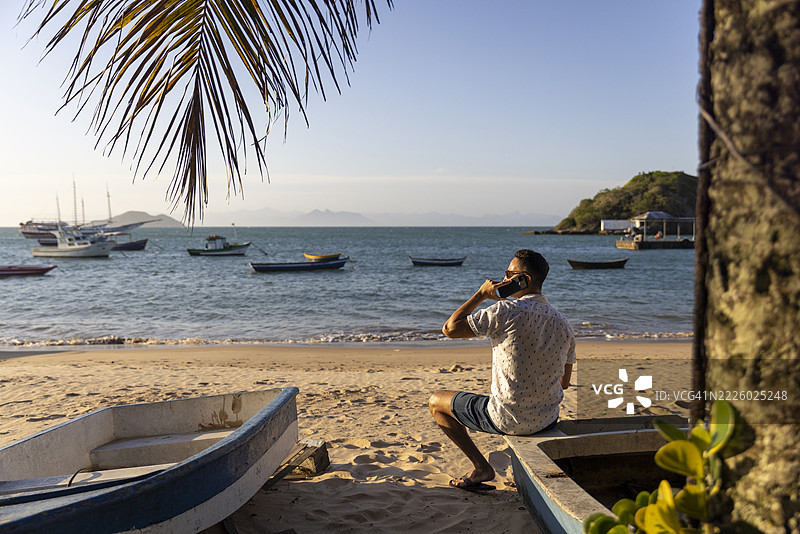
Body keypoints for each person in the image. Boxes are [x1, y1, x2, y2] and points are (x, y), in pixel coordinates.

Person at [429, 249, 575, 491]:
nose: (504, 279)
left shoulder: (505, 311)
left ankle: (481, 468)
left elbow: (450, 328)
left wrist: (482, 294)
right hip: (547, 419)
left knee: (437, 401)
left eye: (509, 274)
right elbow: (565, 382)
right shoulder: (564, 324)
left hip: (506, 418)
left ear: (524, 279)